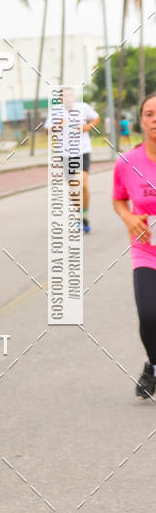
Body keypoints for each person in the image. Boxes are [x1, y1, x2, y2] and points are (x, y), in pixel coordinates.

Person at [113, 93, 156, 398]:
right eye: (150, 114)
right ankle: (154, 365)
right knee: (150, 315)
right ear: (141, 120)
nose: (155, 120)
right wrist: (128, 218)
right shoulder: (127, 162)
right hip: (146, 252)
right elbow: (118, 200)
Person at [44, 87, 99, 233]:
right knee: (74, 189)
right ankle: (81, 217)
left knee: (84, 184)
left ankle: (84, 216)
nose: (68, 98)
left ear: (74, 97)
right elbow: (46, 130)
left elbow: (96, 117)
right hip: (66, 154)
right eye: (65, 96)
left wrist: (88, 127)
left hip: (83, 151)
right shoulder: (55, 111)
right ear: (61, 99)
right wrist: (57, 125)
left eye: (70, 95)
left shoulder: (83, 107)